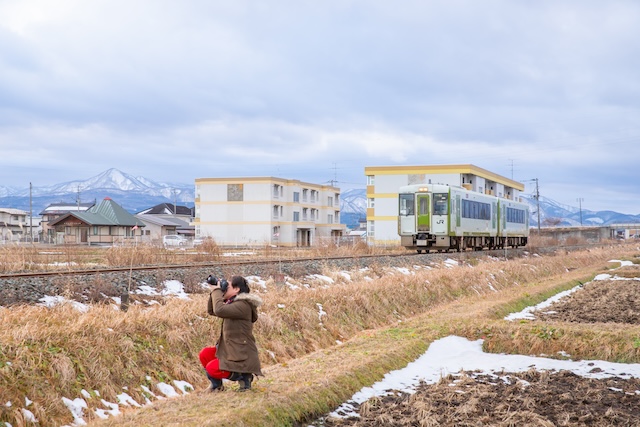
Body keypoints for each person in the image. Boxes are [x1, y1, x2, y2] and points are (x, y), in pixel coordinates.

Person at [199, 275, 263, 392]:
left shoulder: (243, 305)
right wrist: (215, 290)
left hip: (240, 355)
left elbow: (219, 310)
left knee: (212, 368)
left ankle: (244, 377)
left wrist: (217, 291)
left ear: (236, 289)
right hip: (230, 350)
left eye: (227, 285)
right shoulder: (233, 302)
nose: (224, 287)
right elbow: (212, 310)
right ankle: (217, 386)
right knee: (205, 354)